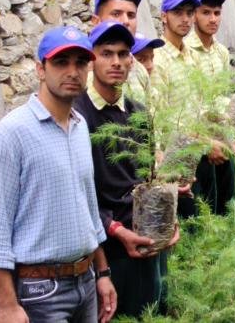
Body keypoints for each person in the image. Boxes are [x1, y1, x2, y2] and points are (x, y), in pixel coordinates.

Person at [0, 26, 117, 323]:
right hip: (41, 291)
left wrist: (102, 273)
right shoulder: (10, 134)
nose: (72, 71)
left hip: (86, 281)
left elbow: (89, 209)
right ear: (41, 69)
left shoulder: (79, 128)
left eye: (80, 62)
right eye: (61, 62)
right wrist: (7, 305)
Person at [73, 21, 179, 318]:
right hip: (108, 244)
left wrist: (169, 217)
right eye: (107, 53)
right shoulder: (79, 116)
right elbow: (80, 192)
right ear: (92, 58)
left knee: (155, 307)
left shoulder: (139, 113)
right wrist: (115, 230)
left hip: (146, 234)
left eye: (123, 54)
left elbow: (148, 178)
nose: (116, 62)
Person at [183, 0, 235, 216]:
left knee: (226, 198)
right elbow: (190, 105)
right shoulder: (186, 51)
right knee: (204, 203)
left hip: (220, 136)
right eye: (206, 12)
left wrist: (229, 134)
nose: (213, 19)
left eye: (217, 13)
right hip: (196, 139)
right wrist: (207, 142)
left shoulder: (221, 52)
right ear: (194, 15)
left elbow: (221, 98)